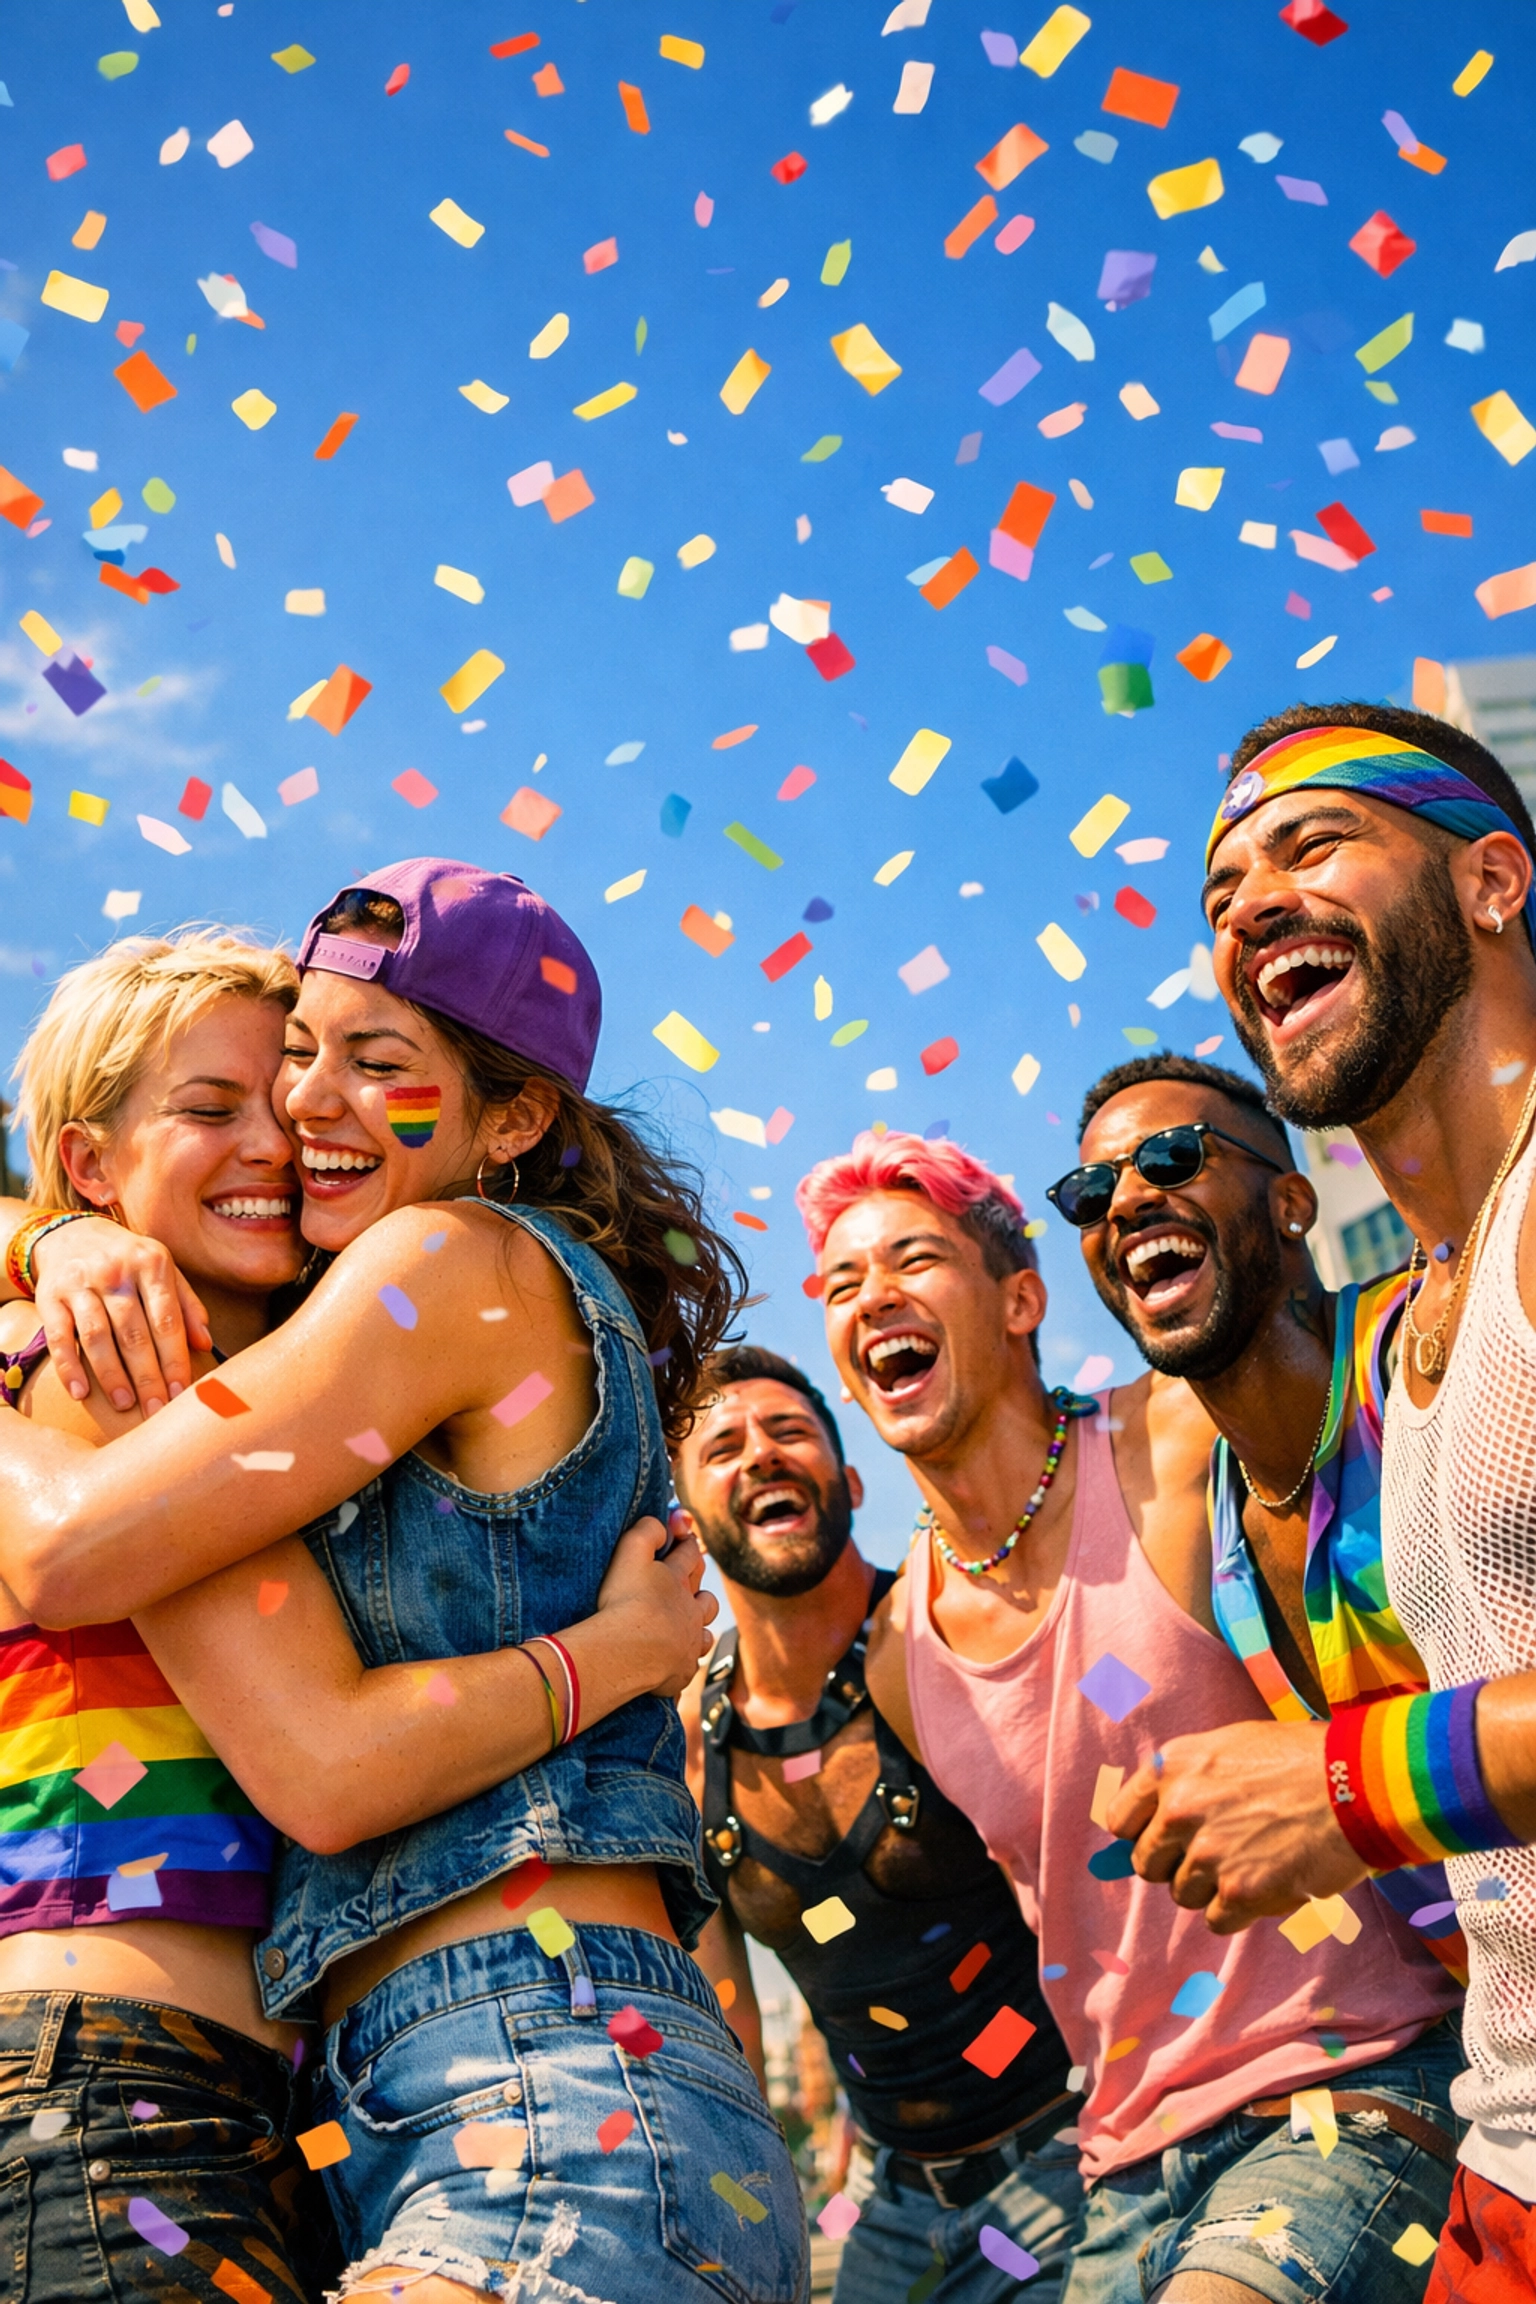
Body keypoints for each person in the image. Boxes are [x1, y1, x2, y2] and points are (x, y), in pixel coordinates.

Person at [0, 863, 807, 2304]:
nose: (300, 1111)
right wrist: (51, 1234)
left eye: (375, 1065)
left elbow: (109, 1584)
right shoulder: (204, 1348)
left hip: (536, 2070)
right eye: (290, 1057)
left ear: (512, 1118)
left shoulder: (440, 1263)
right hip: (399, 2093)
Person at [797, 1127, 1465, 2304]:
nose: (874, 1297)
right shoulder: (900, 1654)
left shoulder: (1169, 1440)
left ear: (1019, 1298)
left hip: (1343, 2089)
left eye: (910, 1259)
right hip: (1120, 2170)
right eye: (844, 1283)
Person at [1117, 703, 1536, 2299]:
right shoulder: (1416, 1328)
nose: (1249, 911)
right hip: (1505, 2170)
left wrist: (1346, 1787)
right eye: (1221, 895)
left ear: (1491, 882)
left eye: (1313, 845)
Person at [674, 1343, 1084, 2304]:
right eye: (724, 1447)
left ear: (850, 1479)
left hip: (1073, 2149)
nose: (763, 1455)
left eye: (789, 1432)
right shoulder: (693, 1740)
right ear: (690, 1526)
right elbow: (731, 2040)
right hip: (891, 2202)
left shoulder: (942, 1641)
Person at [1064, 1051, 1468, 1977]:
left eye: (1170, 1158)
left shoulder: (1431, 1361)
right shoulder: (1220, 1537)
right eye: (1089, 1194)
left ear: (1291, 1203)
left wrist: (1338, 1785)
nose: (1123, 1203)